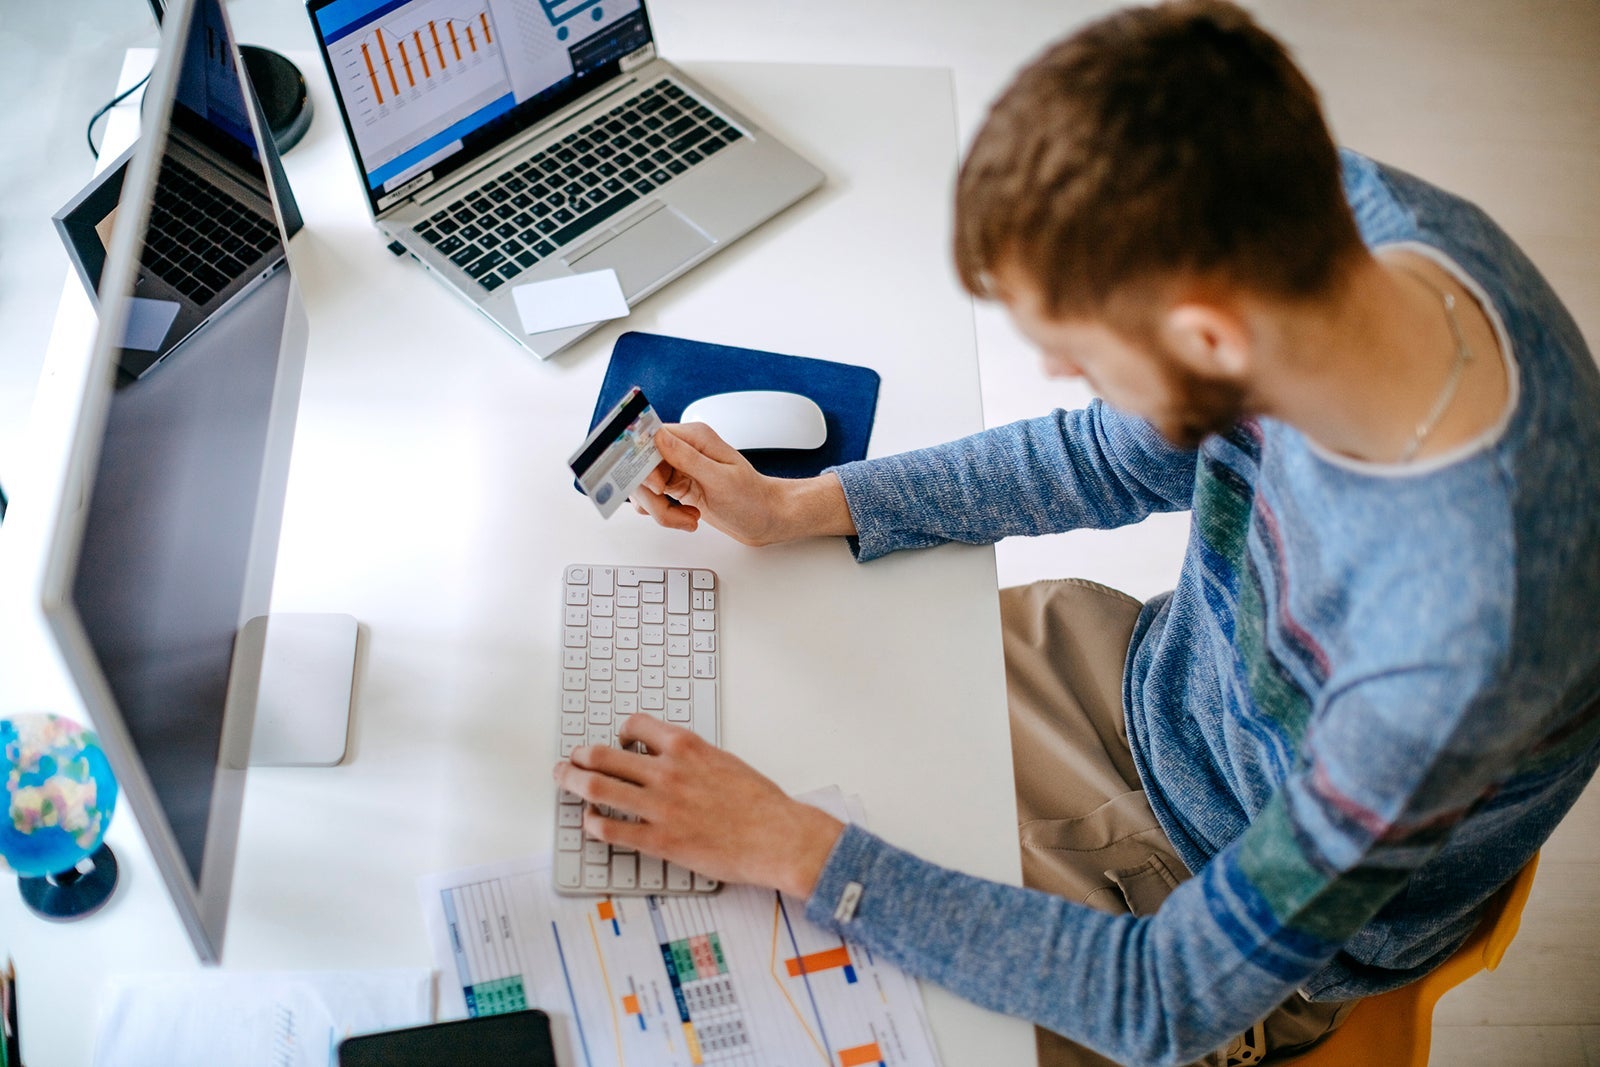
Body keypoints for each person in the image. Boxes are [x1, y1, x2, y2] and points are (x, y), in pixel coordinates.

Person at [553, 2, 1600, 1064]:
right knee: (772, 701)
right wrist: (804, 504)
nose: (1063, 380)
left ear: (1205, 336)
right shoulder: (1337, 224)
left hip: (1206, 904)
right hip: (1131, 682)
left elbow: (1166, 994)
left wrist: (795, 845)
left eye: (1078, 354)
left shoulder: (1456, 642)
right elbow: (1105, 455)